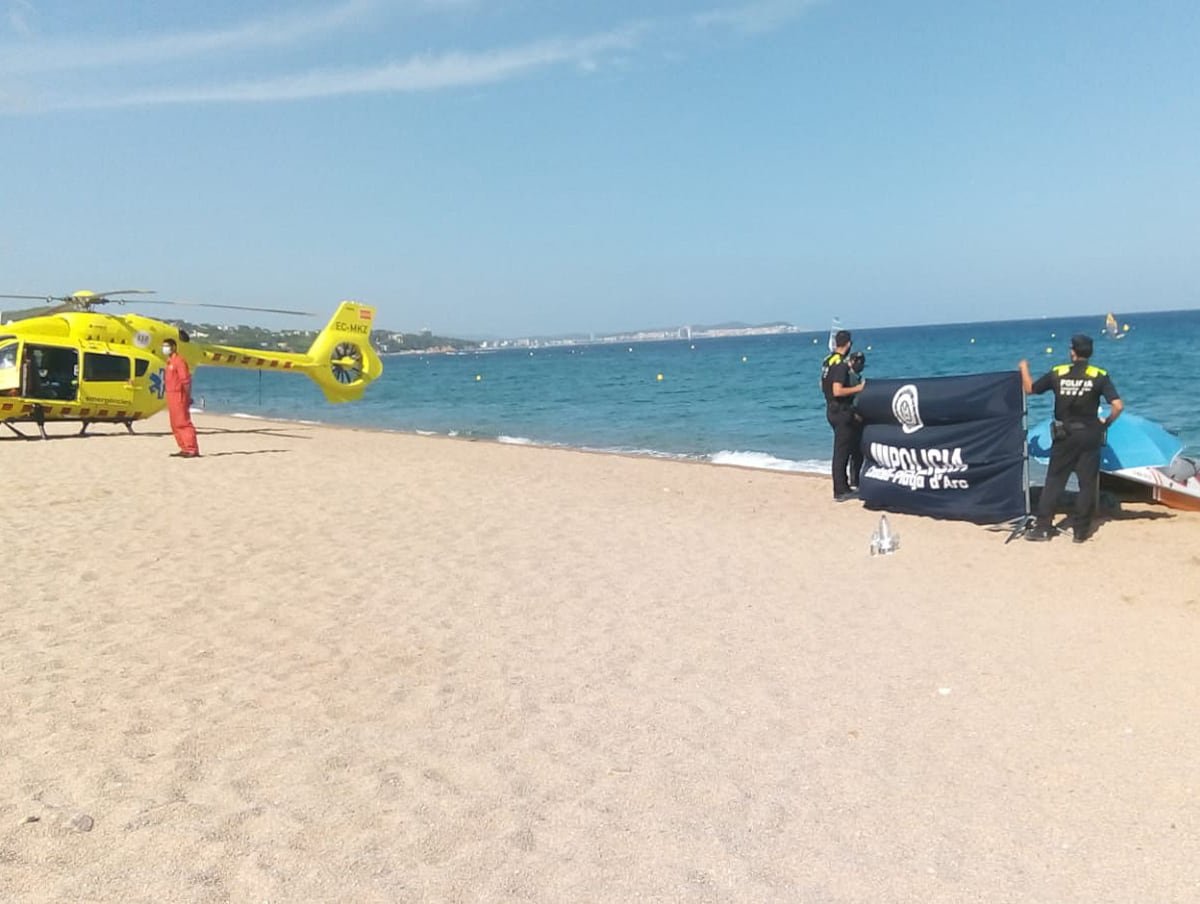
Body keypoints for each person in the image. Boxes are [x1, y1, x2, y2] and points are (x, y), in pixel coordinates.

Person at [1019, 334, 1122, 542]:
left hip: (1064, 434)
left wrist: (1023, 368)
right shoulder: (1099, 375)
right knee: (1087, 483)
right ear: (1090, 353)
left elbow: (1030, 389)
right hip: (1090, 434)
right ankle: (1080, 532)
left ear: (1072, 352)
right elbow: (1118, 406)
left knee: (1055, 481)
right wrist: (1106, 422)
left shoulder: (1059, 372)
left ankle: (1043, 527)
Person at [821, 329, 867, 501]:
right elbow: (838, 390)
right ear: (848, 344)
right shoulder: (840, 364)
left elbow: (822, 384)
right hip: (841, 410)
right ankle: (840, 489)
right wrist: (859, 388)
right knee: (842, 451)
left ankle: (851, 482)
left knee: (852, 445)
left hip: (831, 409)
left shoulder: (827, 361)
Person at [163, 338, 200, 458]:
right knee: (174, 423)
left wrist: (187, 396)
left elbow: (186, 380)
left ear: (173, 347)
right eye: (164, 346)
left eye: (167, 346)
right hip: (171, 394)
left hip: (179, 394)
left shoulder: (179, 361)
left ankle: (191, 449)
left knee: (183, 422)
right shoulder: (169, 362)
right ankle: (184, 447)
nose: (164, 348)